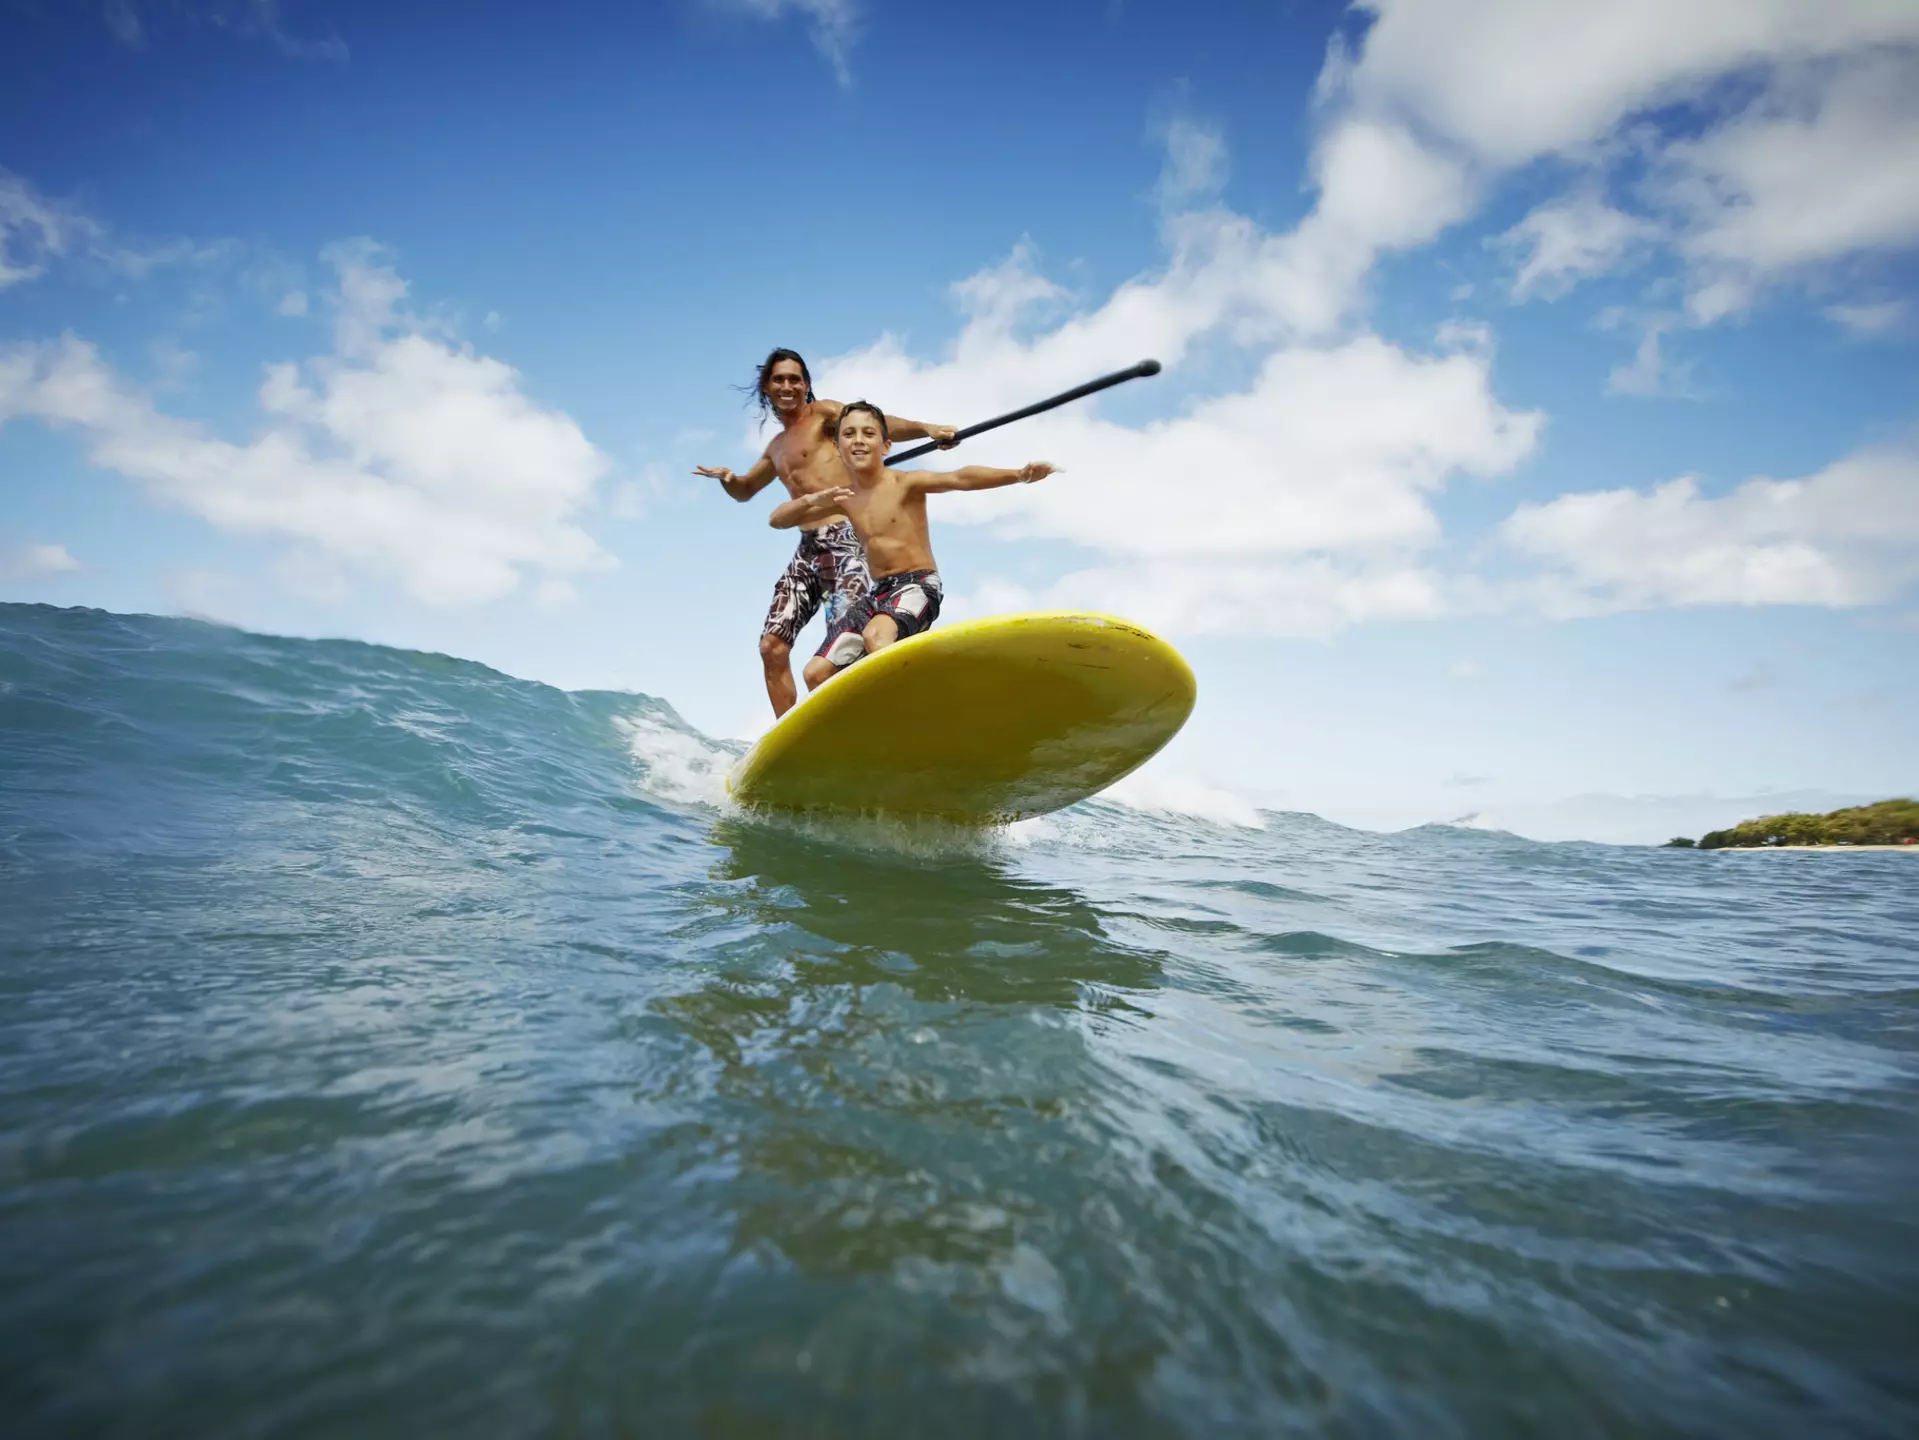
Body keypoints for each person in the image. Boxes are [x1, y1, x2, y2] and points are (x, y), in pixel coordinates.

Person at [693, 349, 956, 717]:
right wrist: (728, 479)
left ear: (806, 385)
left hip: (847, 541)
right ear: (767, 387)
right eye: (779, 379)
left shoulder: (824, 415)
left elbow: (878, 426)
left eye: (794, 379)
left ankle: (885, 716)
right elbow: (746, 490)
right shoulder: (775, 449)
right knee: (772, 646)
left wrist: (927, 430)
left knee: (847, 648)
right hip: (808, 550)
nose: (787, 386)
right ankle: (793, 735)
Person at [766, 400, 1056, 690]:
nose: (858, 440)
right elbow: (777, 520)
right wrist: (813, 500)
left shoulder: (906, 483)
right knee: (815, 673)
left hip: (917, 585)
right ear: (837, 448)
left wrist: (1018, 475)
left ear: (886, 446)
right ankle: (867, 714)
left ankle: (918, 701)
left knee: (876, 638)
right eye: (849, 434)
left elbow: (960, 478)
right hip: (878, 594)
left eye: (869, 433)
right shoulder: (843, 498)